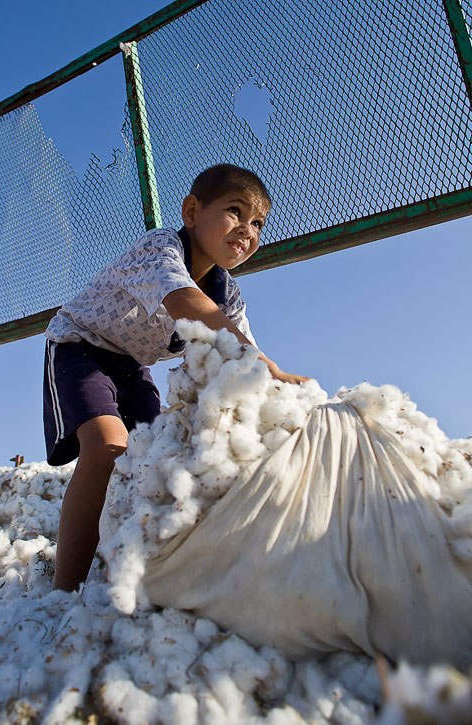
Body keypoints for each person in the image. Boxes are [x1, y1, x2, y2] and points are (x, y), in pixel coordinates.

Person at [44, 163, 309, 592]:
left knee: (150, 458)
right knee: (107, 445)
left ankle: (130, 568)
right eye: (235, 211)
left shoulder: (229, 294)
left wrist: (274, 387)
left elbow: (236, 351)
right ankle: (64, 589)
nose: (247, 229)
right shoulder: (161, 248)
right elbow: (187, 303)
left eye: (258, 222)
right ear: (191, 212)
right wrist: (267, 365)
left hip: (133, 366)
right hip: (81, 347)